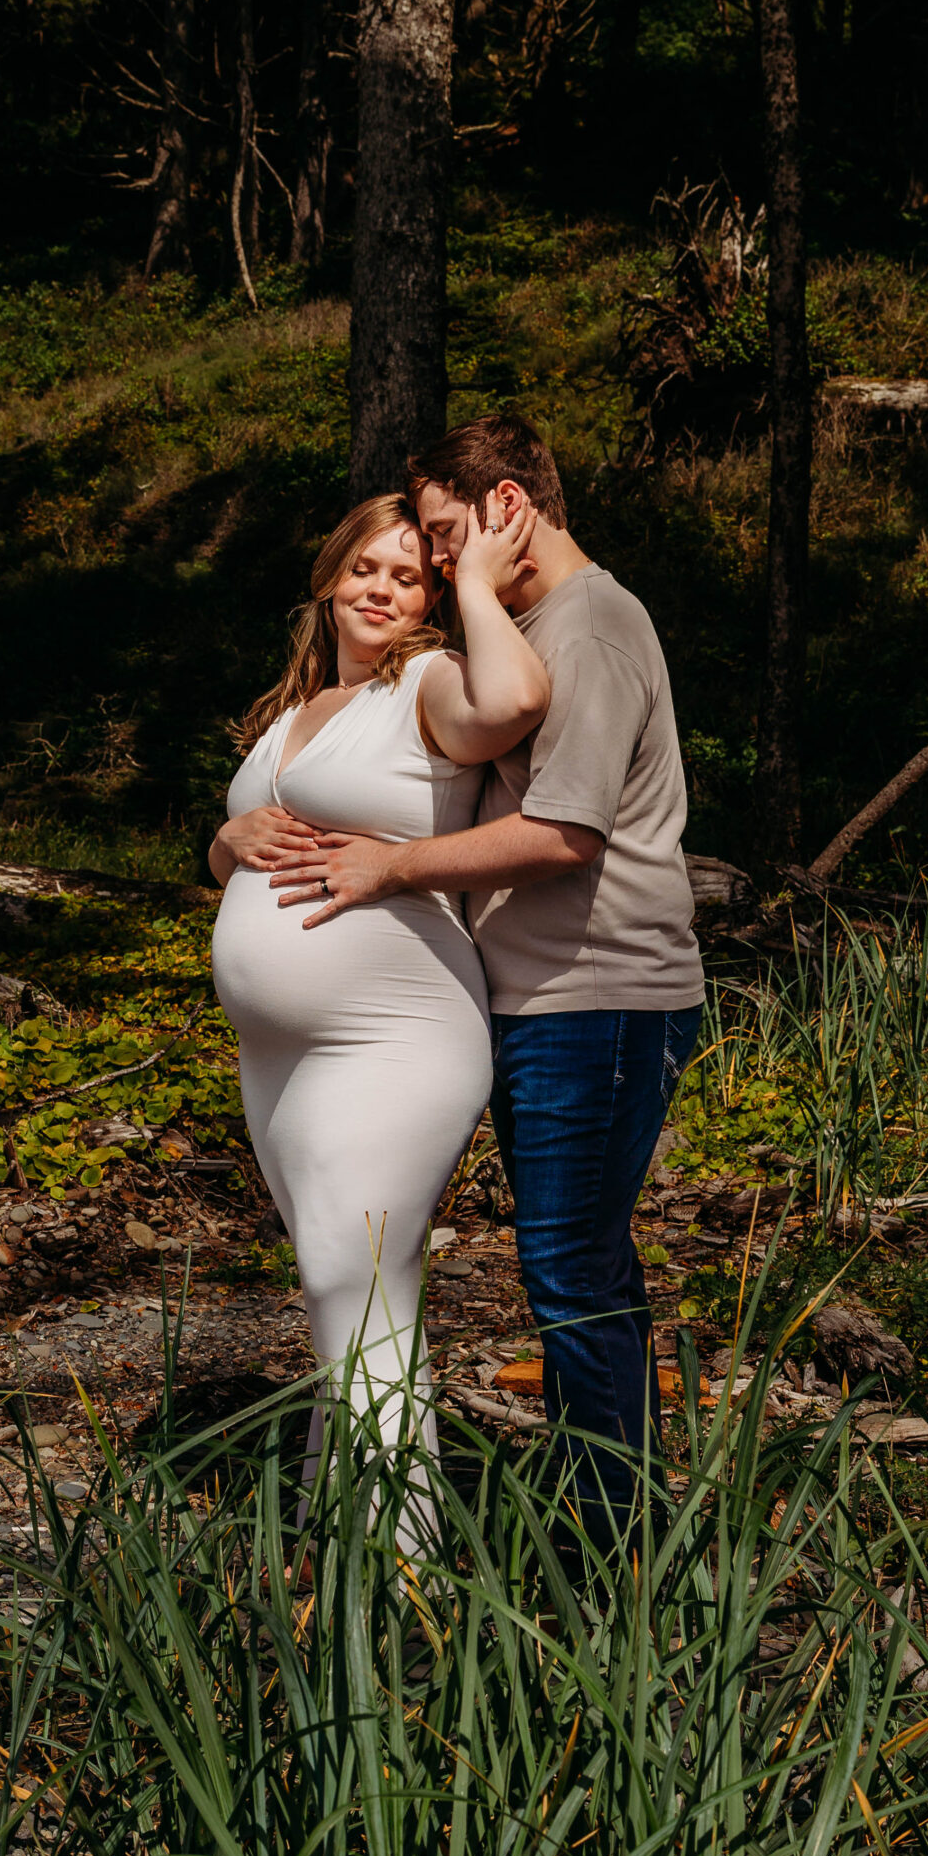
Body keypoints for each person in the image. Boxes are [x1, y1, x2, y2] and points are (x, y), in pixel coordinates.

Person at [269, 417, 704, 1540]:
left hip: (601, 993)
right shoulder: (529, 623)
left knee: (570, 1272)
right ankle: (604, 1514)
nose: (439, 560)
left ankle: (614, 1546)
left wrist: (392, 866)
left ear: (511, 504)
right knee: (577, 1270)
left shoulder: (593, 623)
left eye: (449, 534)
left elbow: (568, 834)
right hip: (541, 995)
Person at [208, 489, 549, 1548]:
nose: (382, 589)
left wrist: (480, 585)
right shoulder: (292, 708)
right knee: (342, 1285)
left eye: (409, 575)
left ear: (429, 599)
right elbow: (227, 856)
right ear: (329, 575)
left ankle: (397, 1554)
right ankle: (351, 1532)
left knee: (347, 1269)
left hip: (394, 1032)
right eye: (367, 567)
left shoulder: (430, 681)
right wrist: (234, 840)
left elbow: (516, 702)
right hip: (279, 1051)